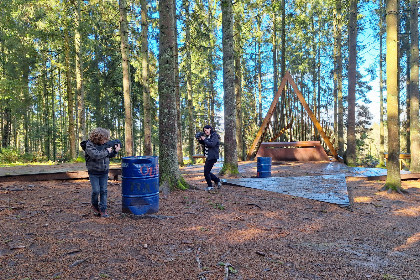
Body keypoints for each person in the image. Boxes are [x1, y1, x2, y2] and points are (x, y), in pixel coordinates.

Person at [84, 128, 121, 217]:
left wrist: (115, 151)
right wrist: (106, 151)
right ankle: (95, 205)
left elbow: (109, 155)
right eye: (104, 139)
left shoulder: (104, 146)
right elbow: (96, 155)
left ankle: (103, 209)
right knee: (96, 191)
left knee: (103, 191)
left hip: (104, 171)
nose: (106, 141)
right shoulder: (89, 145)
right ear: (98, 138)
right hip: (93, 172)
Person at [197, 125, 222, 193]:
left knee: (206, 172)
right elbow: (206, 143)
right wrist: (200, 140)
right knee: (207, 172)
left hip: (212, 157)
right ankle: (217, 181)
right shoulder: (209, 136)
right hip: (209, 157)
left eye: (206, 130)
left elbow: (211, 144)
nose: (205, 132)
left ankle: (210, 186)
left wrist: (204, 139)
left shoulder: (215, 136)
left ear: (210, 129)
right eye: (204, 131)